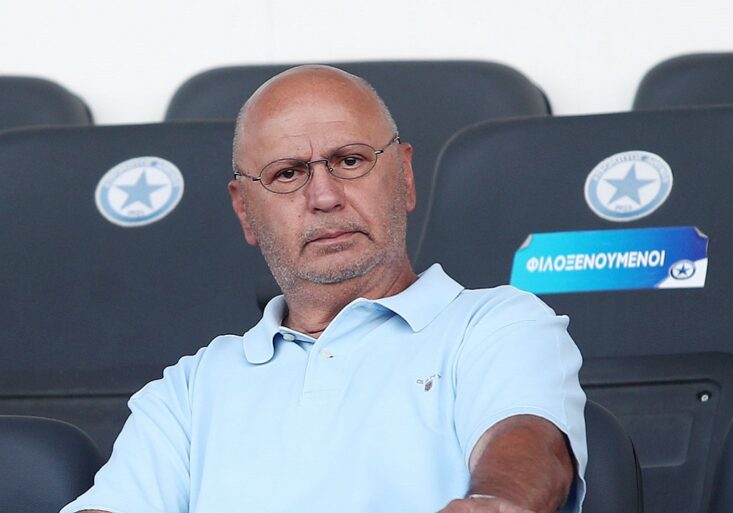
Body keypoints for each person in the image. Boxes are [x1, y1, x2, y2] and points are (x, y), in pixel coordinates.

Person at [61, 65, 587, 513]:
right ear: (244, 210)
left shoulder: (498, 324)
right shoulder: (190, 390)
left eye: (350, 161)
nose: (325, 196)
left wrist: (495, 502)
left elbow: (526, 446)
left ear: (404, 175)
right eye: (287, 174)